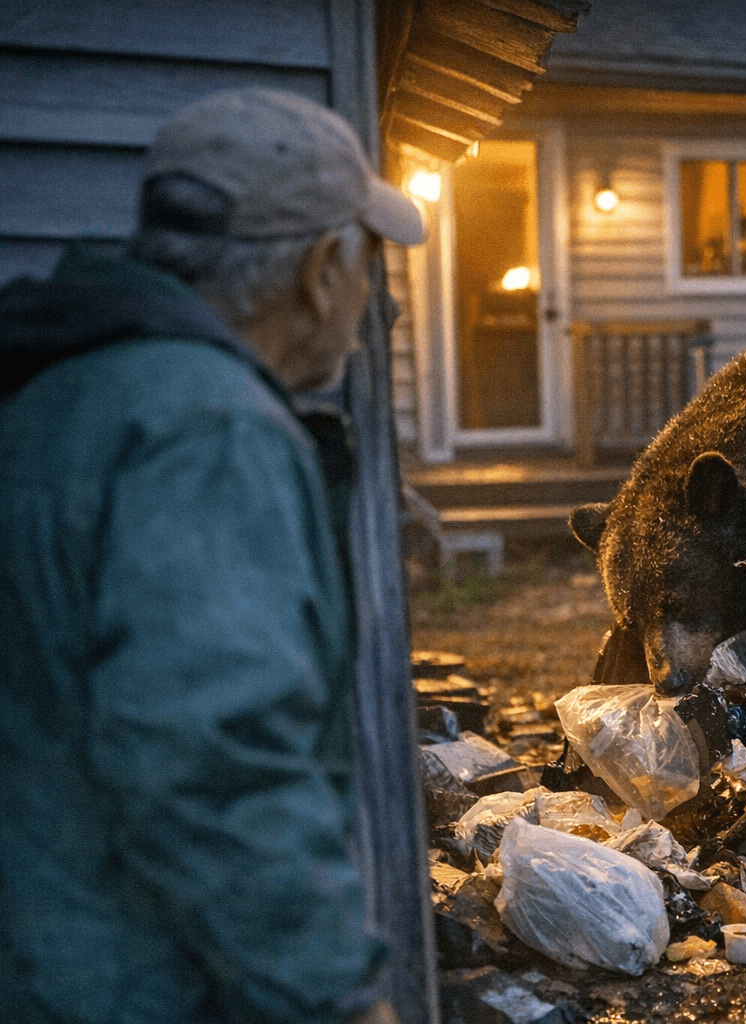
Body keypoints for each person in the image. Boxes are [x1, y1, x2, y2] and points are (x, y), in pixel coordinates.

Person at [0, 88, 424, 1024]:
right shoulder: (213, 430)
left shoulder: (62, 389)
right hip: (126, 978)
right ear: (321, 270)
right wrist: (336, 995)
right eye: (369, 266)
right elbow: (211, 756)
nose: (375, 301)